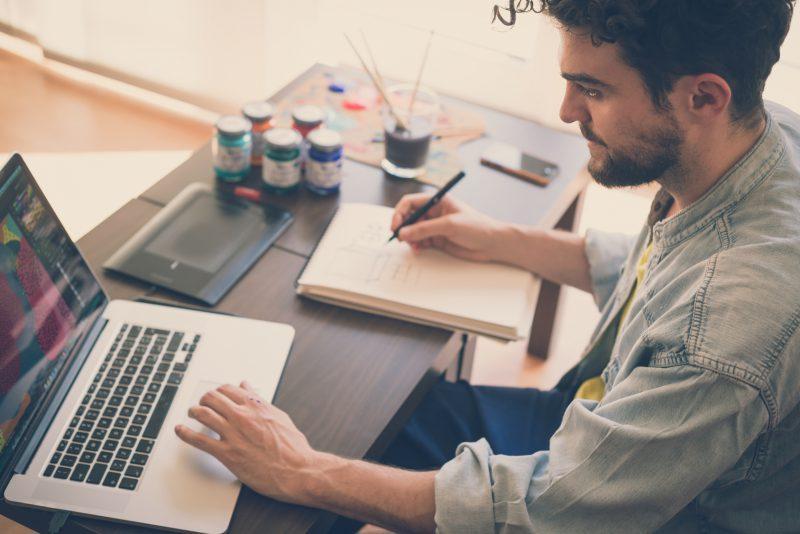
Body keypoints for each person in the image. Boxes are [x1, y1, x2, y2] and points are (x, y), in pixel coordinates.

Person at [175, 1, 800, 531]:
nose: (566, 111)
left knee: (306, 470)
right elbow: (657, 273)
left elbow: (552, 510)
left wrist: (303, 472)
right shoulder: (758, 140)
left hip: (656, 512)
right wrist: (496, 237)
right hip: (601, 423)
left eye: (593, 90)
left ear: (704, 97)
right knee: (359, 417)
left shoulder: (725, 330)